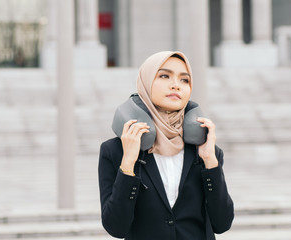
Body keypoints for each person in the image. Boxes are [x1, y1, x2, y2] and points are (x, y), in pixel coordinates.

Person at [98, 51, 234, 240]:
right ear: (145, 82)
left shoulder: (205, 150)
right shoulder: (114, 151)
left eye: (184, 80)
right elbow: (116, 227)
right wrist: (128, 163)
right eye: (164, 76)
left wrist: (210, 162)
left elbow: (222, 223)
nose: (176, 85)